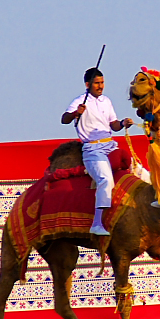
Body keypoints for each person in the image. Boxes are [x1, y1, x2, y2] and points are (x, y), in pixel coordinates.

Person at [62, 68, 134, 236]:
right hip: (93, 149)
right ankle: (97, 223)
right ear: (88, 85)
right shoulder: (80, 101)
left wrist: (123, 123)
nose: (100, 86)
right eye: (97, 83)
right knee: (105, 179)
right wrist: (75, 113)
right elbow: (64, 119)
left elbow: (113, 125)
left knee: (135, 169)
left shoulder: (107, 101)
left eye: (102, 83)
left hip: (110, 145)